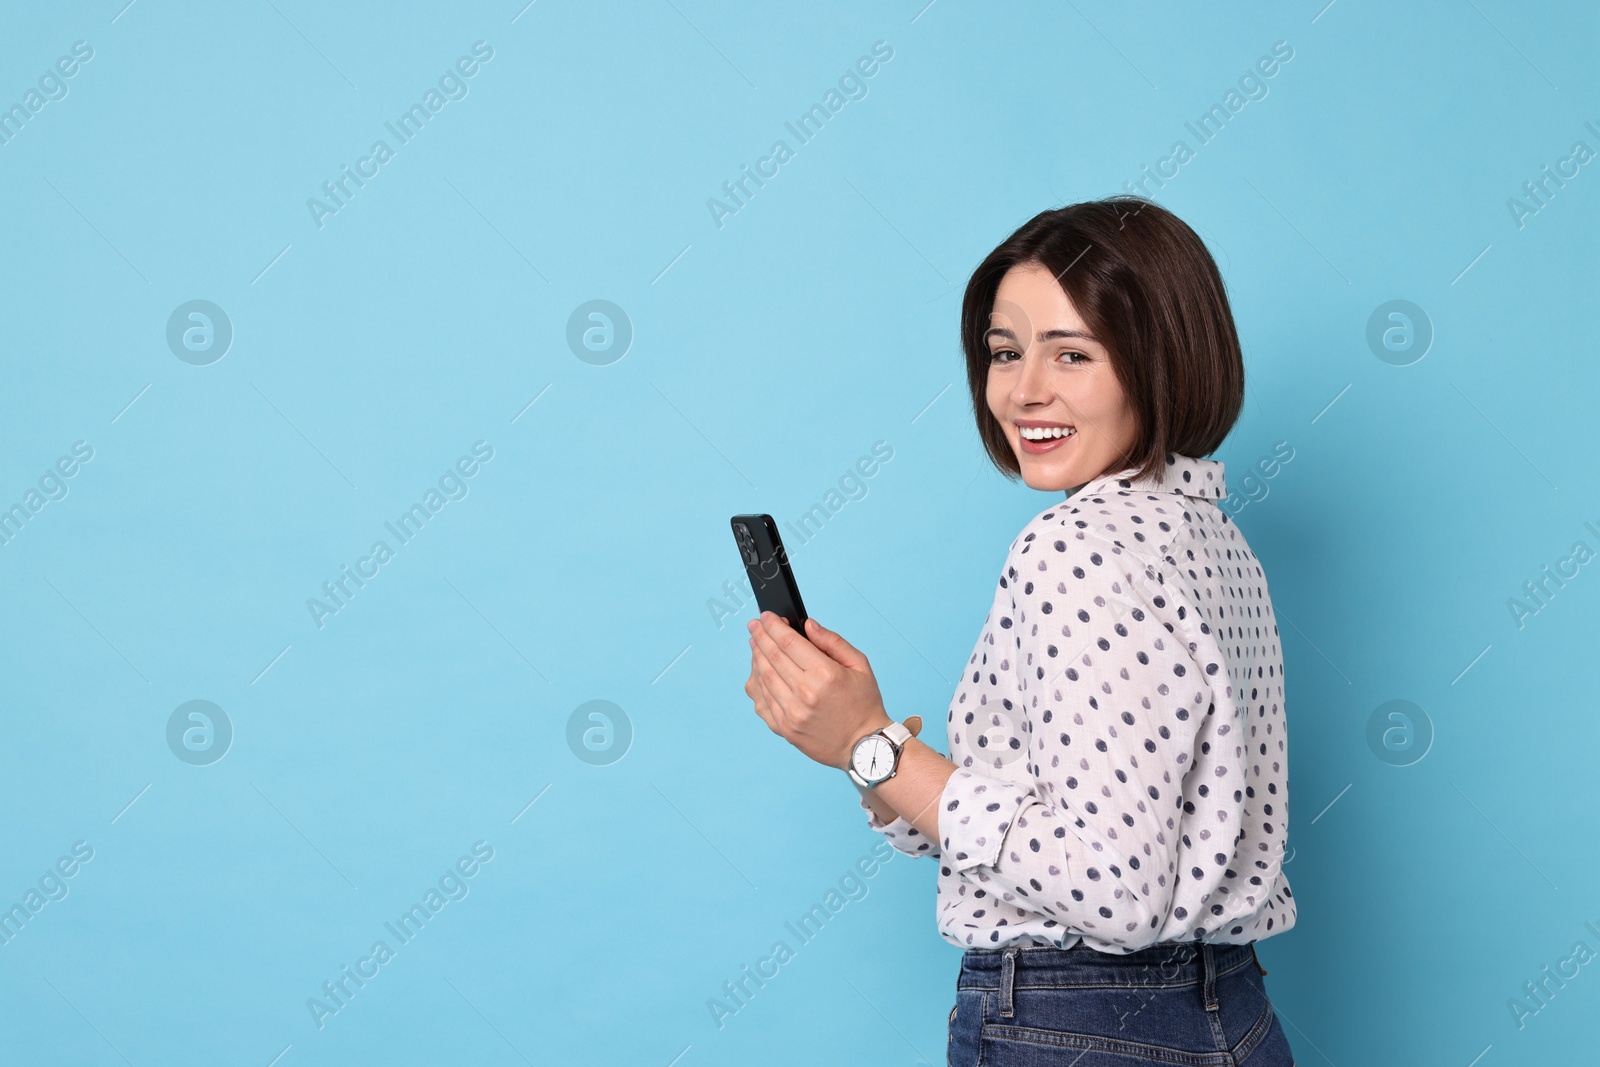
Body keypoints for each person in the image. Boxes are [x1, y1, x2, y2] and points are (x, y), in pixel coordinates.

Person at [744, 195, 1296, 1065]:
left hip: (1080, 1024)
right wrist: (871, 754)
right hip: (1230, 1010)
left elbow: (1116, 891)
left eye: (1071, 353)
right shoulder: (1210, 536)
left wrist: (870, 744)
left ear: (1160, 360)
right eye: (1005, 352)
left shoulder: (1079, 545)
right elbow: (1088, 825)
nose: (1023, 390)